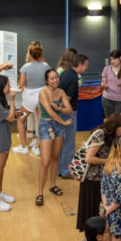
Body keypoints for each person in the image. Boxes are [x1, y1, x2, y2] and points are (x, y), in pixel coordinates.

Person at [77, 114, 121, 231]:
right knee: (93, 213)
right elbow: (89, 158)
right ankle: (92, 238)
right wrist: (108, 161)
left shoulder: (113, 136)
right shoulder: (100, 134)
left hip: (103, 179)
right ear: (115, 126)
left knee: (102, 212)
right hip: (92, 180)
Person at [0, 75, 25, 211]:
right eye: (8, 85)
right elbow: (9, 117)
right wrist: (12, 100)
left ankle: (0, 192)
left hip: (4, 138)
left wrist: (17, 113)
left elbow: (9, 115)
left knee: (1, 168)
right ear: (0, 87)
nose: (10, 87)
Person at [36, 68, 72, 205]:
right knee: (45, 161)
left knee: (55, 157)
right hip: (46, 125)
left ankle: (52, 185)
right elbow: (50, 113)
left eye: (56, 77)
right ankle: (40, 193)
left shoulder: (61, 92)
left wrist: (59, 108)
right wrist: (63, 122)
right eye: (52, 78)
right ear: (47, 80)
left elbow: (69, 109)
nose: (55, 80)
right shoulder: (42, 92)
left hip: (58, 126)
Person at [17, 42, 52, 155]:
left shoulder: (25, 67)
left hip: (29, 99)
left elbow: (21, 84)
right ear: (40, 53)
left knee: (20, 120)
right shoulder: (46, 66)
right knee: (40, 122)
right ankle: (37, 148)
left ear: (30, 54)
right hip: (43, 97)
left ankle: (24, 147)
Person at [57, 53, 86, 179]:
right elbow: (66, 100)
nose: (87, 68)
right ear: (80, 65)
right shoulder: (74, 79)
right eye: (86, 65)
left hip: (61, 113)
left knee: (61, 142)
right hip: (69, 113)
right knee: (69, 143)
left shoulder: (65, 73)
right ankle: (65, 171)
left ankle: (59, 169)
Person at [99, 50, 121, 119]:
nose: (112, 61)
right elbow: (103, 83)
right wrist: (104, 85)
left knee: (119, 121)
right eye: (111, 59)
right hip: (107, 99)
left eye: (115, 59)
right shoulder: (106, 69)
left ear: (120, 58)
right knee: (110, 120)